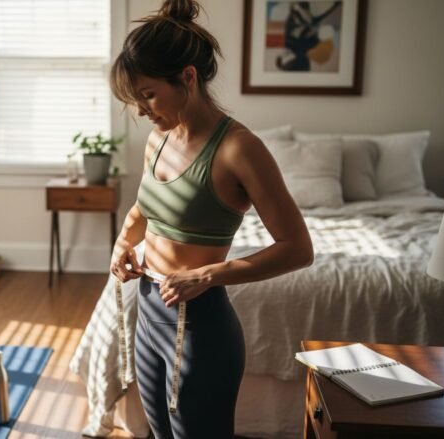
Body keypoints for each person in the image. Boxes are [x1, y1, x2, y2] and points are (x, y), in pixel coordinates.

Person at [108, 1, 314, 438]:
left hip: (199, 328)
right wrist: (123, 245)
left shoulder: (239, 149)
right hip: (148, 313)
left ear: (188, 77)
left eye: (148, 94)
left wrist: (206, 274)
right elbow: (145, 207)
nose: (143, 109)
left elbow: (298, 249)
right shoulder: (158, 137)